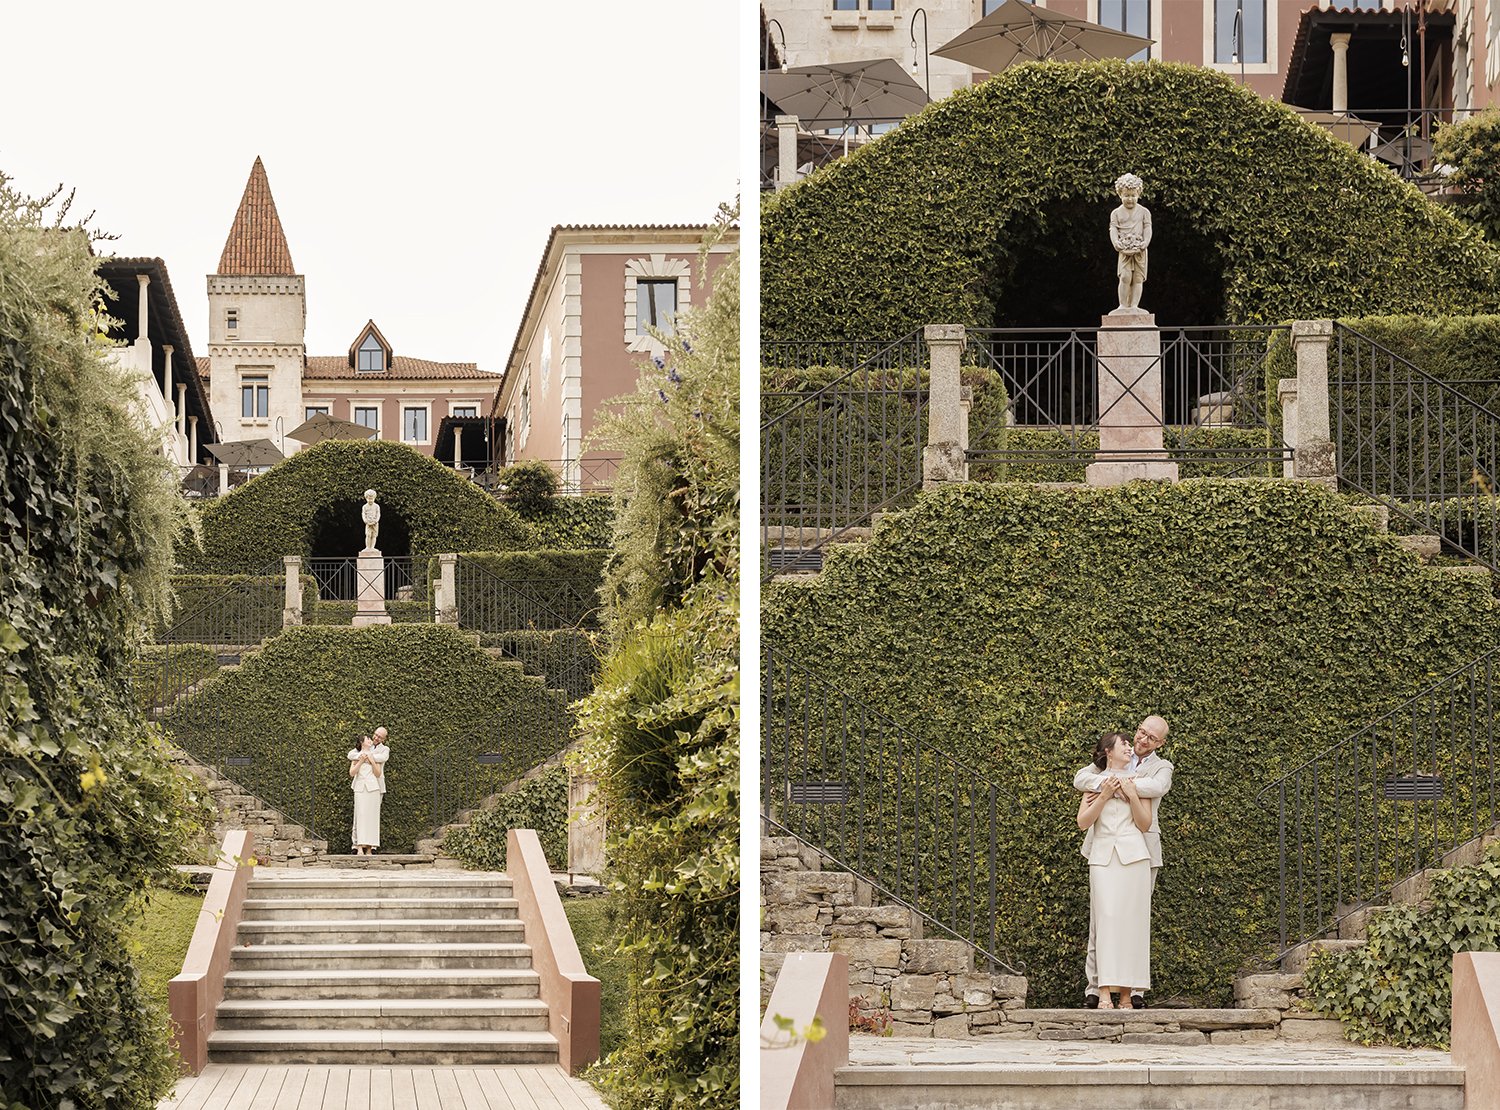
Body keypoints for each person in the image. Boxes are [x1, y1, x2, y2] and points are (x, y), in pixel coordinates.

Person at [1074, 715, 1173, 1008]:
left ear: (1160, 743)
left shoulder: (1160, 768)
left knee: (1134, 922)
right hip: (1103, 853)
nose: (1141, 740)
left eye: (1151, 738)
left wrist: (1130, 789)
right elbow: (1081, 780)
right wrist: (1107, 788)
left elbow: (1156, 789)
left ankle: (1133, 992)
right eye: (1141, 732)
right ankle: (1097, 988)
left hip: (1138, 852)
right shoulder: (1102, 768)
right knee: (1102, 921)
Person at [1109, 172, 1152, 312]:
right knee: (1125, 277)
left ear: (1139, 194)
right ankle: (1123, 305)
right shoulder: (1116, 213)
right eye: (1126, 195)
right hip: (1124, 250)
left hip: (1140, 250)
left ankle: (1134, 306)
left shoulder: (1144, 212)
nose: (1130, 199)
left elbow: (1147, 228)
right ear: (1120, 194)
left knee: (1138, 278)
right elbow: (1113, 229)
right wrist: (1116, 242)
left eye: (1133, 195)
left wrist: (1145, 242)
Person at [348, 733, 384, 855]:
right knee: (360, 816)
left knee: (372, 818)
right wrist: (361, 761)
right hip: (360, 788)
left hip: (373, 788)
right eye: (367, 739)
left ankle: (369, 847)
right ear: (362, 742)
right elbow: (352, 773)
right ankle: (359, 847)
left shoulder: (375, 755)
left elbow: (378, 773)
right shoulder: (356, 755)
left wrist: (372, 761)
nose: (370, 740)